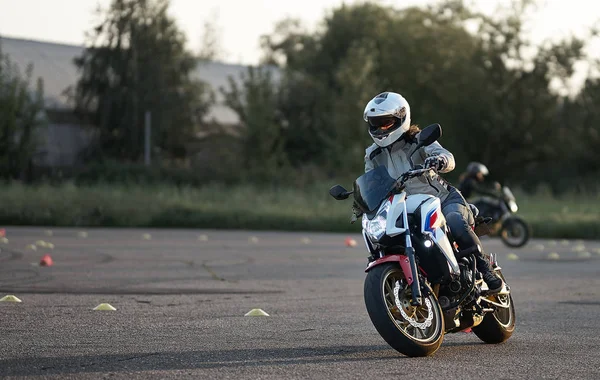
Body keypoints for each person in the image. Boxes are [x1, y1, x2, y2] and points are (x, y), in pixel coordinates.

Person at [362, 92, 503, 293]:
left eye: (385, 123)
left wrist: (440, 161)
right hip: (407, 207)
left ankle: (484, 268)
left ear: (401, 118)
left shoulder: (418, 139)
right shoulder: (372, 154)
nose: (379, 129)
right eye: (374, 124)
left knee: (455, 221)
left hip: (443, 199)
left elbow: (447, 156)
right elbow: (370, 180)